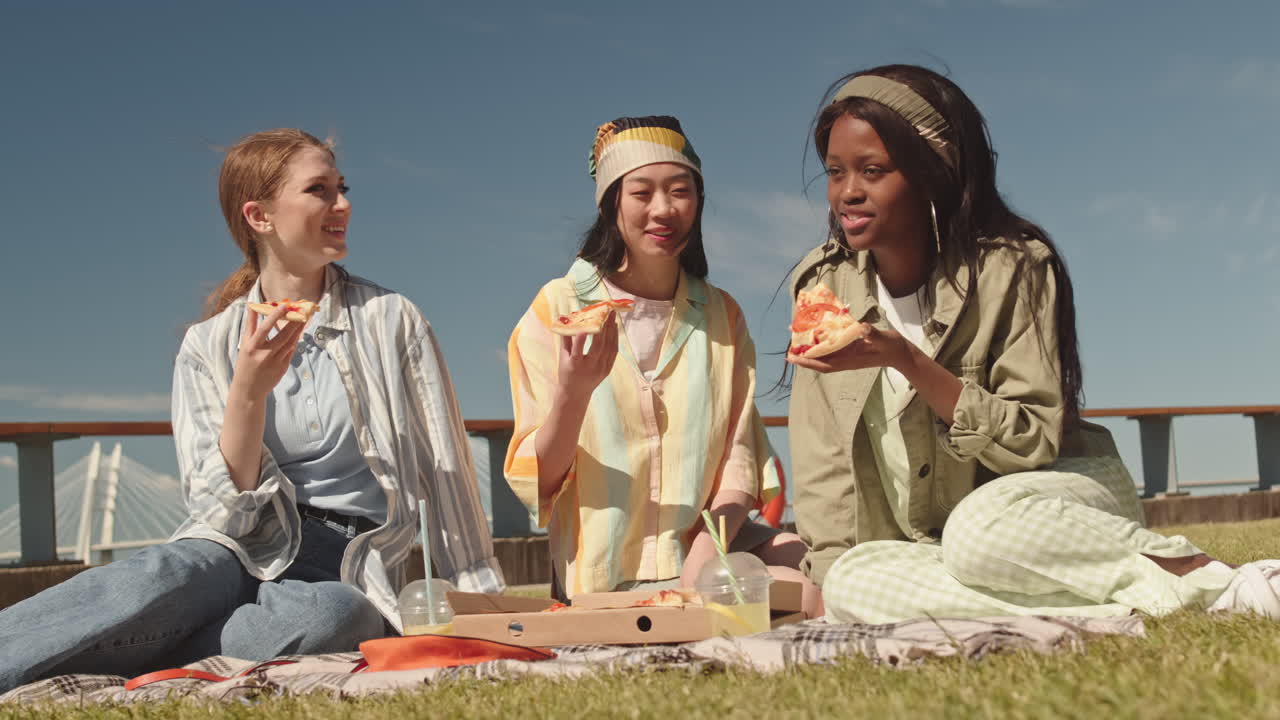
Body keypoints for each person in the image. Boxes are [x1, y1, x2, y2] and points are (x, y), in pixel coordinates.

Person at [0, 128, 504, 692]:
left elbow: (447, 468)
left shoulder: (391, 320)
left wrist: (482, 598)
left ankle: (141, 652)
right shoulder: (209, 344)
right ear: (260, 216)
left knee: (334, 618)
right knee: (170, 572)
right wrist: (248, 392)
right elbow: (218, 509)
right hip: (235, 544)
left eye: (342, 187)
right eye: (319, 190)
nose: (343, 204)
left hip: (344, 558)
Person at [785, 65, 1276, 623]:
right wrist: (827, 574)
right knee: (851, 581)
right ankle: (1106, 615)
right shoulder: (822, 287)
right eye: (835, 172)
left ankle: (1219, 584)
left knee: (980, 531)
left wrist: (907, 359)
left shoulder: (1013, 266)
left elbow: (1033, 442)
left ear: (931, 173)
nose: (847, 192)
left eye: (872, 171)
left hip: (1046, 508)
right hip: (938, 547)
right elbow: (821, 455)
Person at [504, 116, 821, 616]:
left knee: (819, 566)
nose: (664, 209)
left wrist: (703, 556)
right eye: (641, 192)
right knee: (800, 591)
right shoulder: (558, 309)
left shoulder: (722, 314)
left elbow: (738, 461)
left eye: (680, 191)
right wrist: (574, 392)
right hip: (606, 572)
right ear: (612, 202)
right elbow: (537, 484)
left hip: (709, 542)